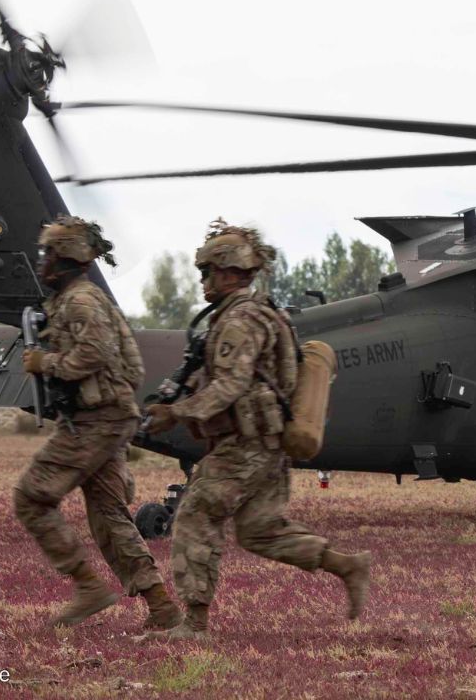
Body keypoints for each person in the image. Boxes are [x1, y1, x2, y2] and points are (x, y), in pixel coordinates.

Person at [144, 220, 370, 639]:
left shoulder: (239, 322)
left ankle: (194, 624)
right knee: (259, 531)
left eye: (208, 271)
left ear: (229, 272)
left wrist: (177, 413)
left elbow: (229, 385)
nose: (203, 281)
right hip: (268, 444)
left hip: (246, 446)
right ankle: (347, 565)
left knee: (195, 514)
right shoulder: (257, 313)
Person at [12, 217, 181, 629]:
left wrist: (45, 362)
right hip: (109, 417)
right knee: (109, 515)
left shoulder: (81, 302)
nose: (42, 262)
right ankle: (162, 609)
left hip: (96, 421)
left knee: (32, 497)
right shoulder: (81, 299)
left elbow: (97, 353)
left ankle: (87, 585)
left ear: (66, 258)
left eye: (48, 254)